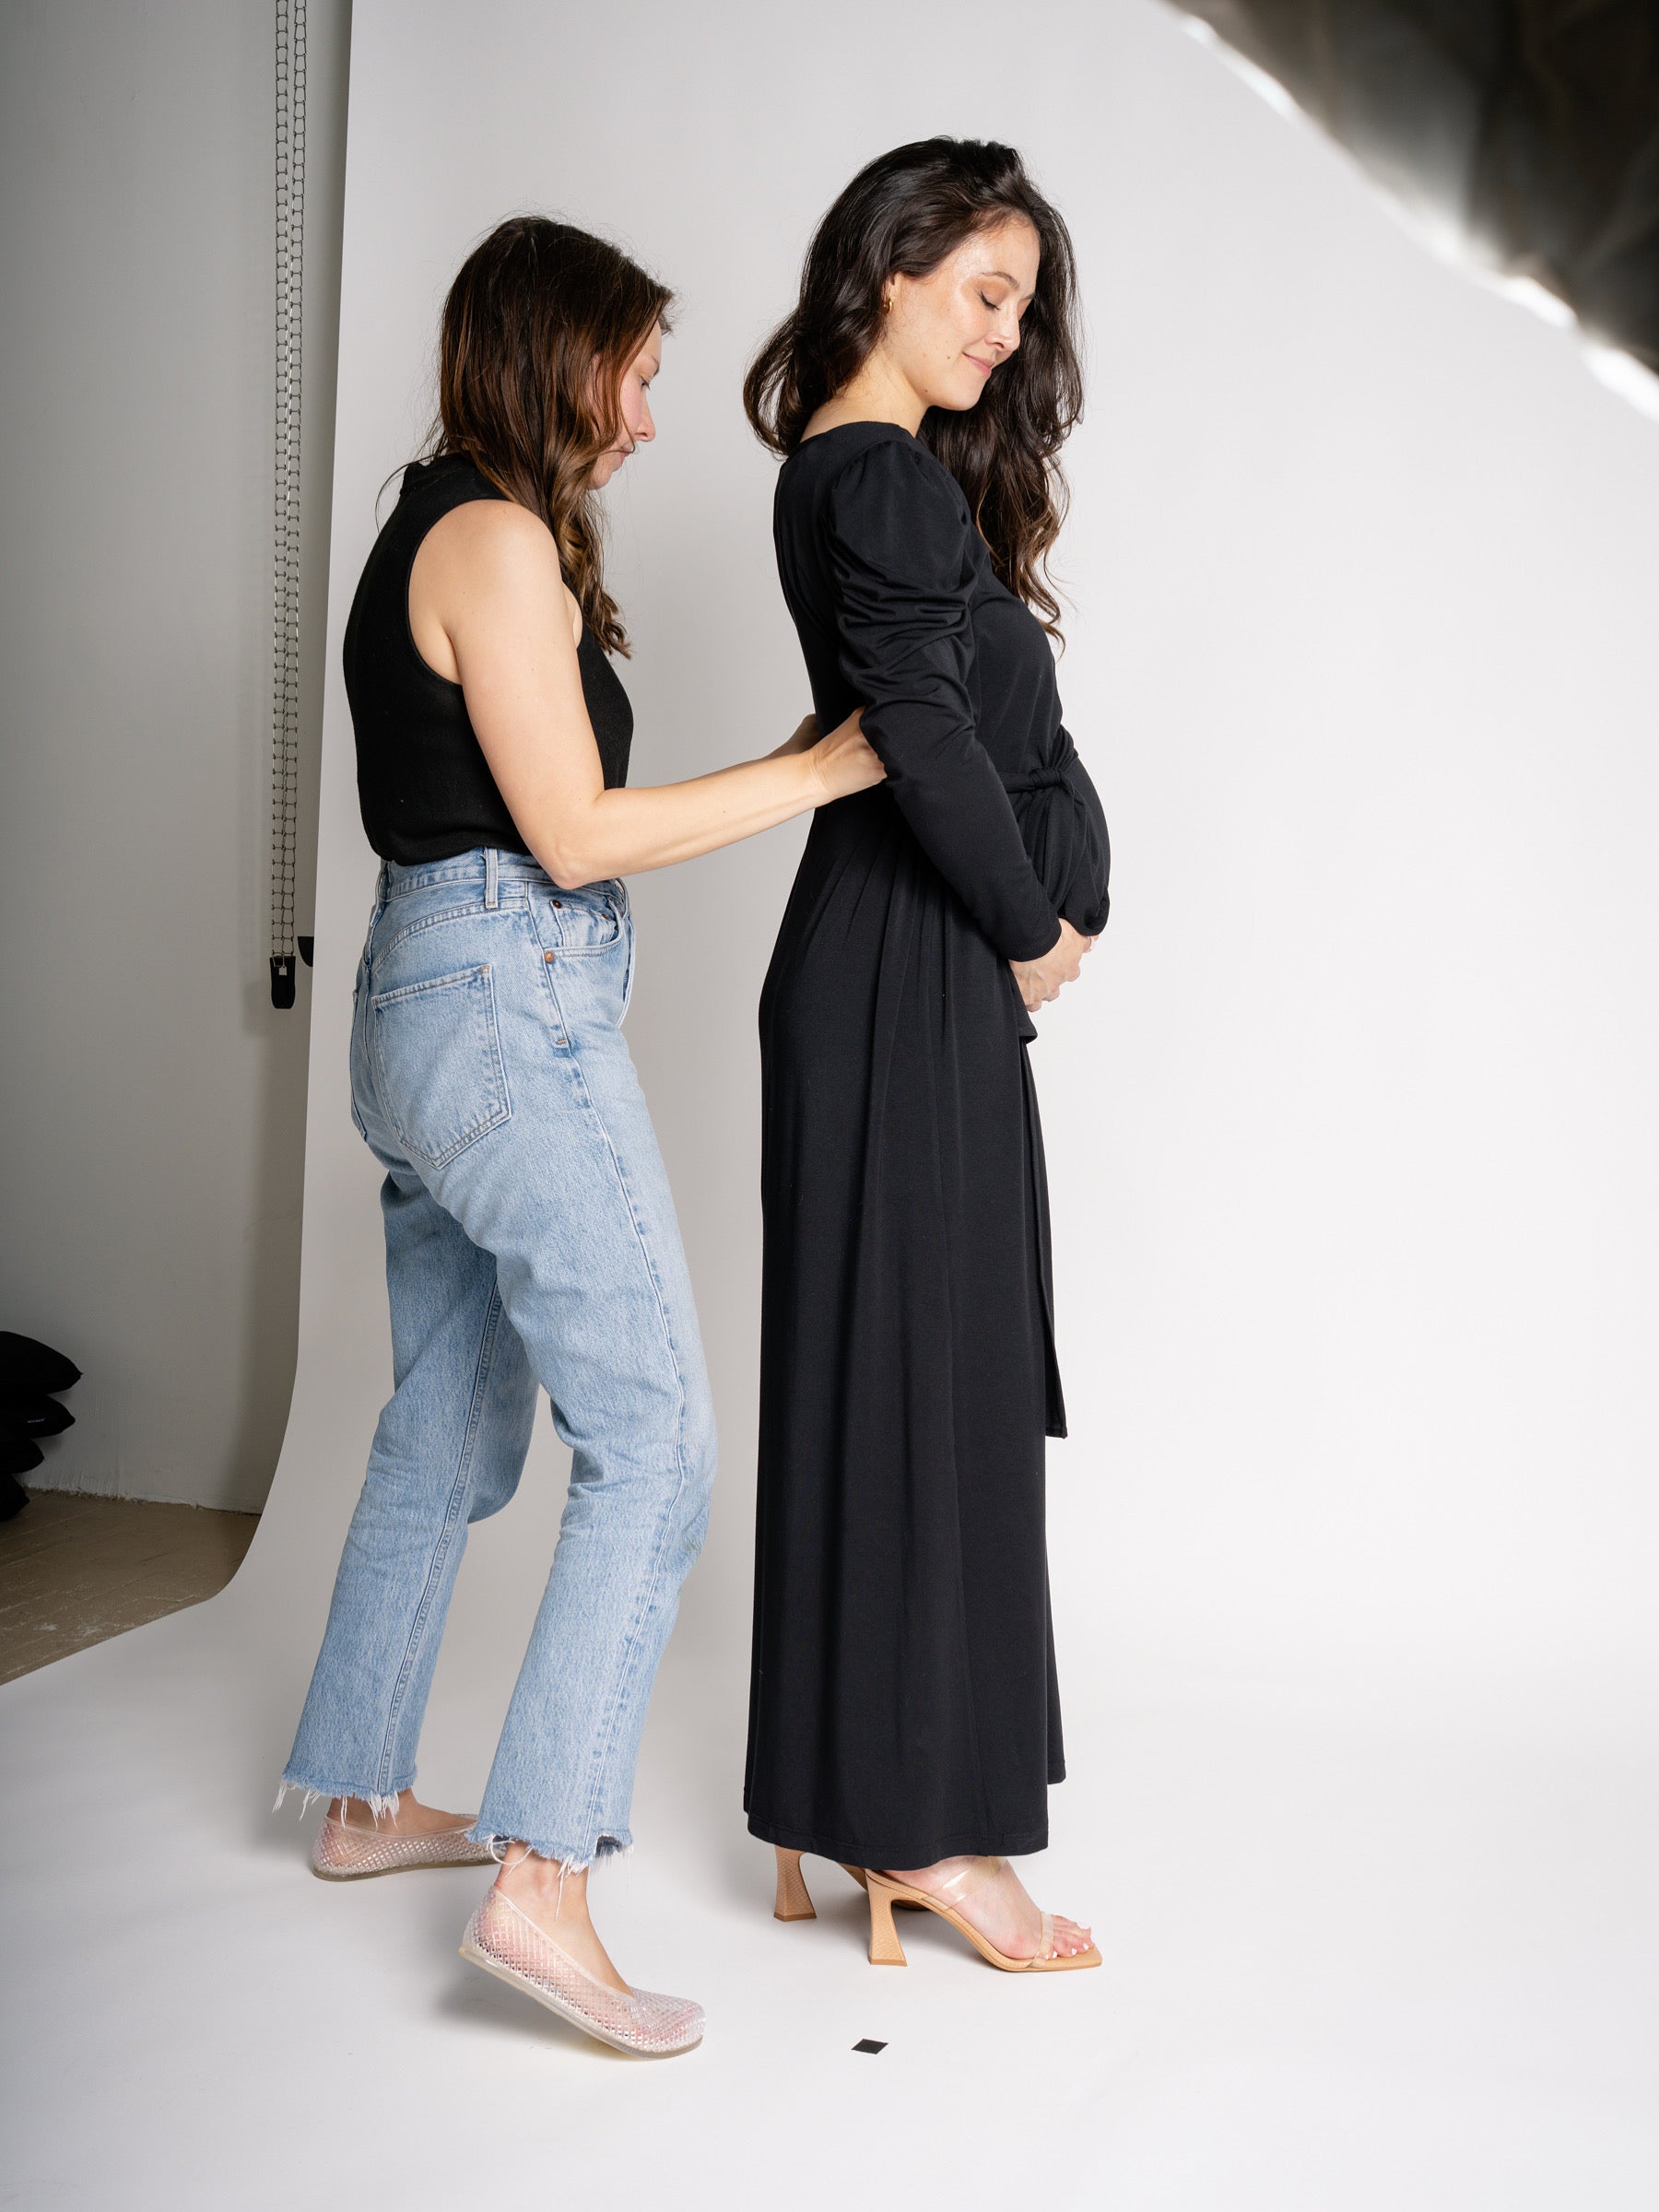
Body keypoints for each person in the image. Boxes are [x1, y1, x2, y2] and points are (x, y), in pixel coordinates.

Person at [277, 215, 881, 2058]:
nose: (646, 415)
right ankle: (542, 1884)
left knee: (449, 1425)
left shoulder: (428, 523)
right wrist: (813, 771)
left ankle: (361, 1793)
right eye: (634, 374)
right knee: (661, 1442)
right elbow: (574, 833)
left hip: (418, 1004)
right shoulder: (494, 540)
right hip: (502, 1005)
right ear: (558, 354)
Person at [743, 139, 1109, 1973]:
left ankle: (848, 1801)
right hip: (908, 969)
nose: (1004, 332)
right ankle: (932, 1834)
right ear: (889, 268)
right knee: (926, 1398)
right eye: (983, 290)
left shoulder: (869, 474)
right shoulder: (874, 474)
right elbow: (929, 739)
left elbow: (972, 720)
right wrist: (1036, 927)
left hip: (889, 967)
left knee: (892, 1385)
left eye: (1021, 307)